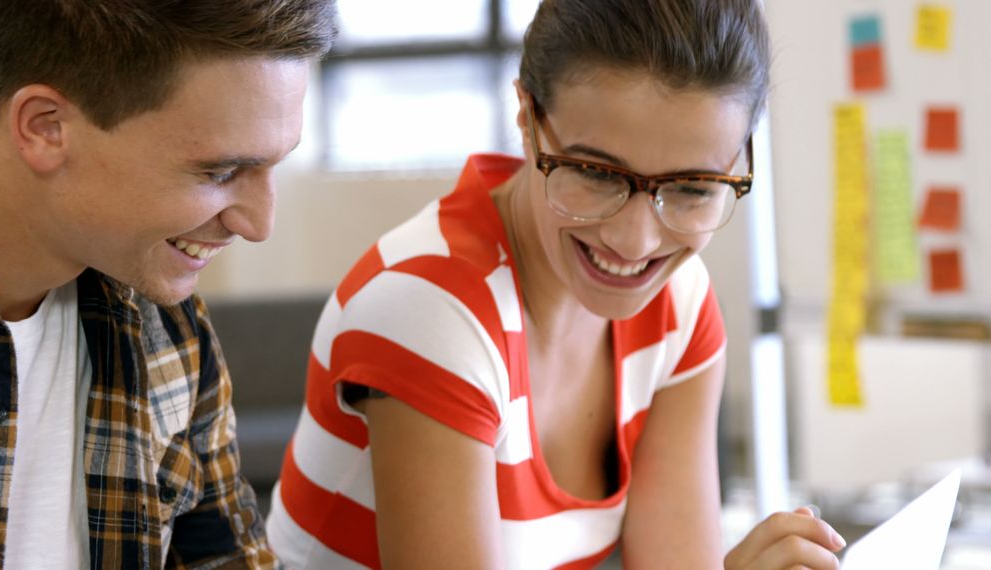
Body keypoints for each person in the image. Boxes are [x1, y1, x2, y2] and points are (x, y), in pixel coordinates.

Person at [267, 0, 847, 568]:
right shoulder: (431, 310)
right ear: (526, 117)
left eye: (694, 188)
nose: (637, 241)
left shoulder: (679, 300)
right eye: (596, 173)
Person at [0, 0, 335, 567]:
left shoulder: (163, 315)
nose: (259, 225)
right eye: (220, 172)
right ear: (45, 127)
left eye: (272, 166)